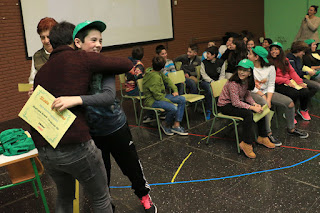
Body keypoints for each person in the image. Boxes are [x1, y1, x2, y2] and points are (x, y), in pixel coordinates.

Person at [53, 20, 157, 213]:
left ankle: (144, 196)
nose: (98, 44)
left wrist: (76, 99)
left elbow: (108, 96)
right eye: (93, 40)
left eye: (100, 40)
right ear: (78, 42)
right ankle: (106, 204)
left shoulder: (105, 65)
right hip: (93, 134)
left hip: (116, 127)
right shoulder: (73, 69)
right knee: (102, 174)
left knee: (131, 167)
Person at [31, 21, 133, 212]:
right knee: (101, 197)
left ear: (52, 43)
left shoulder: (40, 73)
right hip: (74, 146)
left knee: (65, 196)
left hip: (45, 149)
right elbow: (126, 64)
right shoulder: (81, 59)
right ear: (75, 42)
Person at [248, 46, 308, 146]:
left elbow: (271, 85)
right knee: (264, 105)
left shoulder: (270, 67)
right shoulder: (249, 67)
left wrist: (269, 98)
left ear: (256, 57)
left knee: (290, 103)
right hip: (253, 93)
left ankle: (291, 129)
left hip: (268, 92)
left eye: (250, 54)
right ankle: (268, 134)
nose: (248, 55)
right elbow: (250, 87)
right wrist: (264, 98)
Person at [217, 59, 275, 159]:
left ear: (250, 73)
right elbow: (235, 103)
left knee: (260, 109)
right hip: (225, 105)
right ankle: (246, 143)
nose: (242, 72)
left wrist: (255, 104)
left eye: (245, 70)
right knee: (248, 114)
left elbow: (247, 96)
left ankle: (262, 136)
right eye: (240, 69)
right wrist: (251, 107)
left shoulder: (247, 81)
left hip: (236, 103)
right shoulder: (233, 83)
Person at [143, 56, 188, 136]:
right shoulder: (154, 77)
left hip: (161, 96)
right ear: (163, 67)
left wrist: (175, 90)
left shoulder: (158, 72)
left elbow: (167, 80)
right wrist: (170, 101)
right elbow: (157, 97)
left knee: (182, 99)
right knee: (173, 108)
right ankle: (165, 123)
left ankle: (176, 125)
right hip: (152, 101)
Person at [268, 42, 312, 121]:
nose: (273, 51)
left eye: (276, 49)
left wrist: (299, 82)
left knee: (305, 91)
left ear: (280, 51)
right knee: (294, 93)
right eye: (271, 50)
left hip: (289, 81)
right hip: (277, 84)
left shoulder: (285, 60)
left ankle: (303, 110)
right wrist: (285, 81)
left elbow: (292, 72)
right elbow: (271, 78)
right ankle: (290, 112)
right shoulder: (268, 62)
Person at [28, 17, 57, 96]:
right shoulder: (37, 56)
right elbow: (32, 80)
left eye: (49, 37)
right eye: (42, 37)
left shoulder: (66, 52)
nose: (46, 41)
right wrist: (32, 91)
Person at [199, 46, 224, 120]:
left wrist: (219, 83)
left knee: (224, 88)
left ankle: (220, 107)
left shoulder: (221, 62)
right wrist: (211, 82)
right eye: (207, 53)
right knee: (210, 90)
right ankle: (208, 110)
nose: (207, 55)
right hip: (206, 81)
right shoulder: (204, 62)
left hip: (217, 80)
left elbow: (222, 74)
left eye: (208, 54)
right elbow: (203, 75)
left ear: (214, 55)